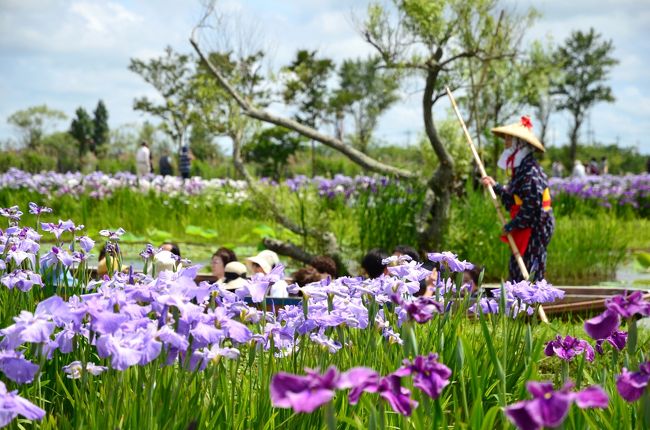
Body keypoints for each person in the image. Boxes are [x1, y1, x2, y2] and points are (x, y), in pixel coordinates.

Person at [480, 115, 554, 282]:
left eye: (508, 139)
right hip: (525, 224)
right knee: (517, 267)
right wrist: (496, 187)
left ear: (518, 143)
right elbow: (515, 198)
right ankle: (516, 301)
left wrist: (512, 225)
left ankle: (530, 302)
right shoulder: (521, 168)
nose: (505, 142)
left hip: (536, 227)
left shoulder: (530, 172)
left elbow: (532, 207)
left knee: (530, 268)